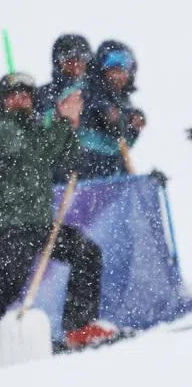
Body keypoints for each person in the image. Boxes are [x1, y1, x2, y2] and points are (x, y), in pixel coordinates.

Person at [0, 72, 122, 351]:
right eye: (14, 94)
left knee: (86, 253)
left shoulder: (34, 130)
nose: (21, 99)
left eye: (27, 94)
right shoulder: (5, 129)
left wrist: (70, 124)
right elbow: (32, 149)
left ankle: (78, 327)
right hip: (9, 228)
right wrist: (61, 118)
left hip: (39, 225)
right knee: (7, 286)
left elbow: (64, 156)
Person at [76, 40, 145, 179]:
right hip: (82, 174)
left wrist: (132, 126)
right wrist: (105, 113)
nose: (119, 76)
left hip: (114, 173)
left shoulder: (122, 101)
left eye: (125, 70)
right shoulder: (85, 92)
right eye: (114, 69)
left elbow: (121, 142)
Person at [34, 33, 92, 121]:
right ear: (58, 63)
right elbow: (33, 126)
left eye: (82, 59)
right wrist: (57, 115)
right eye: (69, 61)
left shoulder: (98, 90)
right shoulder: (43, 95)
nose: (76, 65)